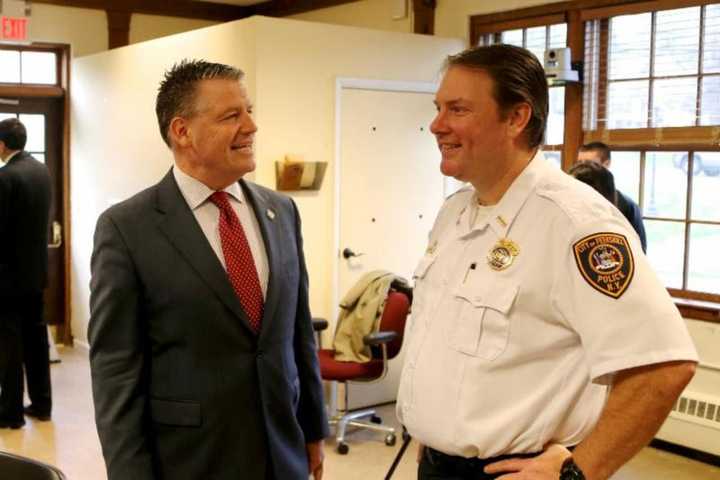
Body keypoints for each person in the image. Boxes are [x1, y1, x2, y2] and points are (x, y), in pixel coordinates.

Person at [396, 44, 698, 480]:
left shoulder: (576, 223)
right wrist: (436, 425)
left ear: (516, 118)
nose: (436, 125)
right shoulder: (456, 212)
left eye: (457, 110)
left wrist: (581, 471)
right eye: (438, 108)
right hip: (438, 464)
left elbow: (665, 366)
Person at [88, 60, 328, 480]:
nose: (251, 126)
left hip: (282, 451)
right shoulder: (127, 228)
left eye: (249, 111)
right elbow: (116, 369)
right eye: (231, 116)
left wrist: (313, 429)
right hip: (190, 460)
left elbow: (297, 333)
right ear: (182, 131)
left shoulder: (281, 211)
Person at [0, 118, 53, 429]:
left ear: (3, 144)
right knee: (36, 339)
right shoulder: (40, 171)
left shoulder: (6, 177)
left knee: (8, 345)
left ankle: (10, 413)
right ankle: (42, 404)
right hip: (36, 274)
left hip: (6, 279)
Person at [578, 142, 647, 252]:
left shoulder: (627, 205)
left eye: (589, 164)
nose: (582, 169)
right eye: (580, 163)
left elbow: (639, 249)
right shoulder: (571, 200)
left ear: (606, 164)